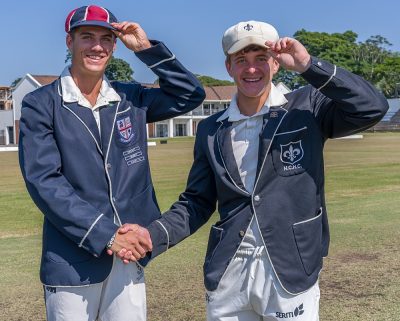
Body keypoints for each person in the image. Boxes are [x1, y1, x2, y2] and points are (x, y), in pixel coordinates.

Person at [131, 21, 388, 320]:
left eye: (260, 58)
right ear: (229, 67)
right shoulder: (211, 130)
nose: (251, 69)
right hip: (228, 271)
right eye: (241, 60)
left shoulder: (307, 106)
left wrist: (307, 65)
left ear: (276, 63)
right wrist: (153, 235)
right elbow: (197, 201)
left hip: (291, 267)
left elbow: (371, 107)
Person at [18, 4, 205, 321]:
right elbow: (45, 182)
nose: (96, 46)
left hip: (130, 256)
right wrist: (108, 235)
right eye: (86, 37)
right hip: (72, 261)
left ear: (115, 45)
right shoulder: (40, 103)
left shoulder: (131, 97)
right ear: (70, 42)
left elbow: (190, 94)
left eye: (106, 38)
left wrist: (146, 50)